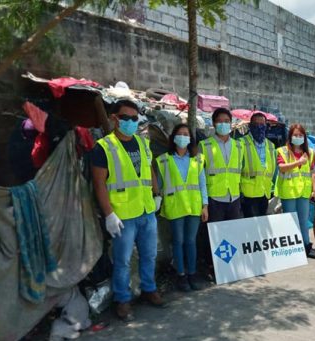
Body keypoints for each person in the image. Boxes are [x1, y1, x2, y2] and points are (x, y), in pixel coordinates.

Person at [91, 99, 163, 321]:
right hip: (122, 215)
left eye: (135, 118)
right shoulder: (104, 147)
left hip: (146, 211)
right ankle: (122, 300)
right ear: (115, 119)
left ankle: (149, 289)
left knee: (149, 255)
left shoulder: (142, 143)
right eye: (127, 118)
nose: (132, 122)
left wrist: (157, 192)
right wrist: (109, 214)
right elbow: (99, 183)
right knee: (122, 261)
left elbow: (149, 168)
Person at [155, 124, 208, 292]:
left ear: (191, 139)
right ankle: (181, 275)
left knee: (190, 241)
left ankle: (191, 274)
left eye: (186, 134)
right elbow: (159, 184)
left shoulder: (197, 158)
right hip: (175, 205)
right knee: (178, 242)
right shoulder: (163, 159)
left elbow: (202, 184)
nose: (183, 137)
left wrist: (205, 205)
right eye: (180, 134)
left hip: (194, 206)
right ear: (173, 137)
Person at [199, 108, 244, 271]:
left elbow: (240, 169)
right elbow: (200, 175)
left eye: (227, 121)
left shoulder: (239, 146)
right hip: (214, 196)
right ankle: (214, 266)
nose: (224, 124)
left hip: (234, 195)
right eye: (220, 121)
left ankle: (228, 267)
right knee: (214, 234)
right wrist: (204, 202)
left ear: (231, 124)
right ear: (213, 123)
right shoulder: (205, 145)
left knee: (231, 232)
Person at [276, 124, 315, 259]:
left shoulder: (310, 152)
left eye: (301, 135)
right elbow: (281, 168)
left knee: (303, 221)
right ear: (290, 136)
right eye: (295, 135)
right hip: (288, 192)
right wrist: (298, 162)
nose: (298, 137)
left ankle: (306, 246)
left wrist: (314, 188)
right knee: (290, 220)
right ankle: (292, 248)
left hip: (304, 192)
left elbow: (311, 172)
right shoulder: (282, 151)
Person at [240, 113, 276, 217]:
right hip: (248, 193)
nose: (259, 127)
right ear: (250, 126)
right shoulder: (241, 143)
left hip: (265, 192)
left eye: (262, 124)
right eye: (256, 124)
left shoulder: (271, 145)